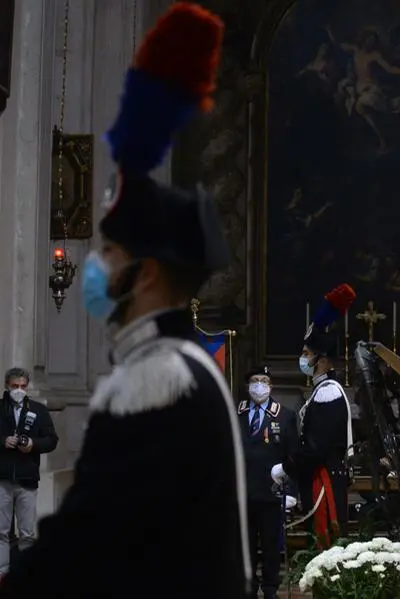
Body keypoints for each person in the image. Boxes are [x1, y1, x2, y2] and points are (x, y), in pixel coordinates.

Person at [0, 4, 252, 598]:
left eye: (108, 252)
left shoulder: (157, 380)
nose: (95, 266)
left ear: (147, 272)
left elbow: (90, 533)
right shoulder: (184, 367)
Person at [271, 284, 356, 547]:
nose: (302, 359)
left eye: (306, 354)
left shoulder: (328, 392)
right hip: (318, 478)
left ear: (320, 360)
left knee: (325, 545)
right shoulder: (321, 390)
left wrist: (286, 468)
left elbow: (316, 447)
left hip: (325, 481)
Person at [240, 365, 299, 599]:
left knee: (271, 545)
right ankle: (248, 586)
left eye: (263, 380)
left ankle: (270, 588)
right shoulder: (239, 413)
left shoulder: (284, 416)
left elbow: (293, 457)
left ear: (271, 385)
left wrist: (292, 491)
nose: (259, 385)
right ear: (248, 386)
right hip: (244, 493)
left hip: (272, 493)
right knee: (246, 546)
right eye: (255, 380)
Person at [0, 368, 58, 580]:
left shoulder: (39, 410)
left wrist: (32, 444)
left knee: (27, 533)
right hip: (2, 478)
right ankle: (2, 573)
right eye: (15, 386)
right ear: (7, 386)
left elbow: (51, 440)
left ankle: (24, 577)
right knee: (1, 531)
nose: (19, 390)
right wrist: (3, 441)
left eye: (23, 386)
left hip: (27, 479)